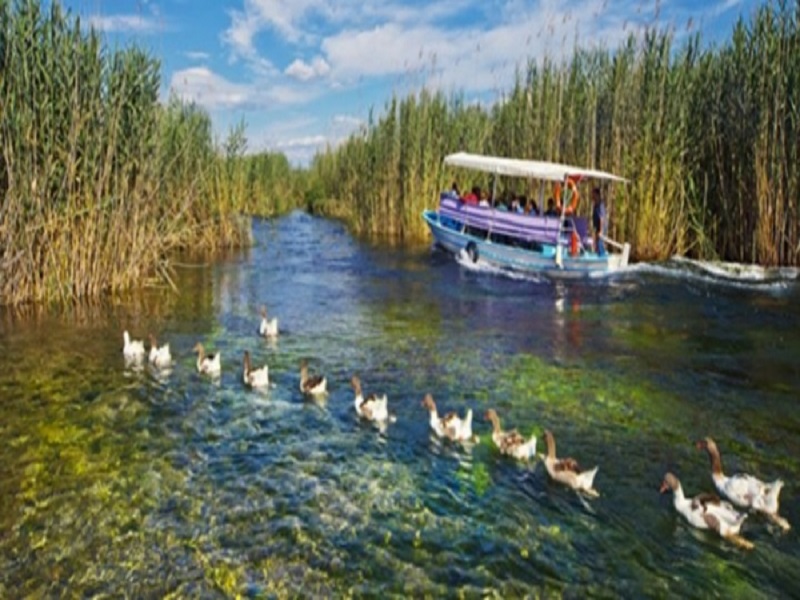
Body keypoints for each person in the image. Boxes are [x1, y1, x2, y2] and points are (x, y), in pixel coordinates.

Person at [592, 187, 606, 256]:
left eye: (593, 194)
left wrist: (601, 230)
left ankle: (602, 256)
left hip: (601, 226)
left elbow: (602, 218)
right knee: (596, 243)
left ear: (597, 194)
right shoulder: (595, 205)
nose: (592, 196)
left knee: (600, 242)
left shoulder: (600, 205)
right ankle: (598, 254)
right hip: (597, 226)